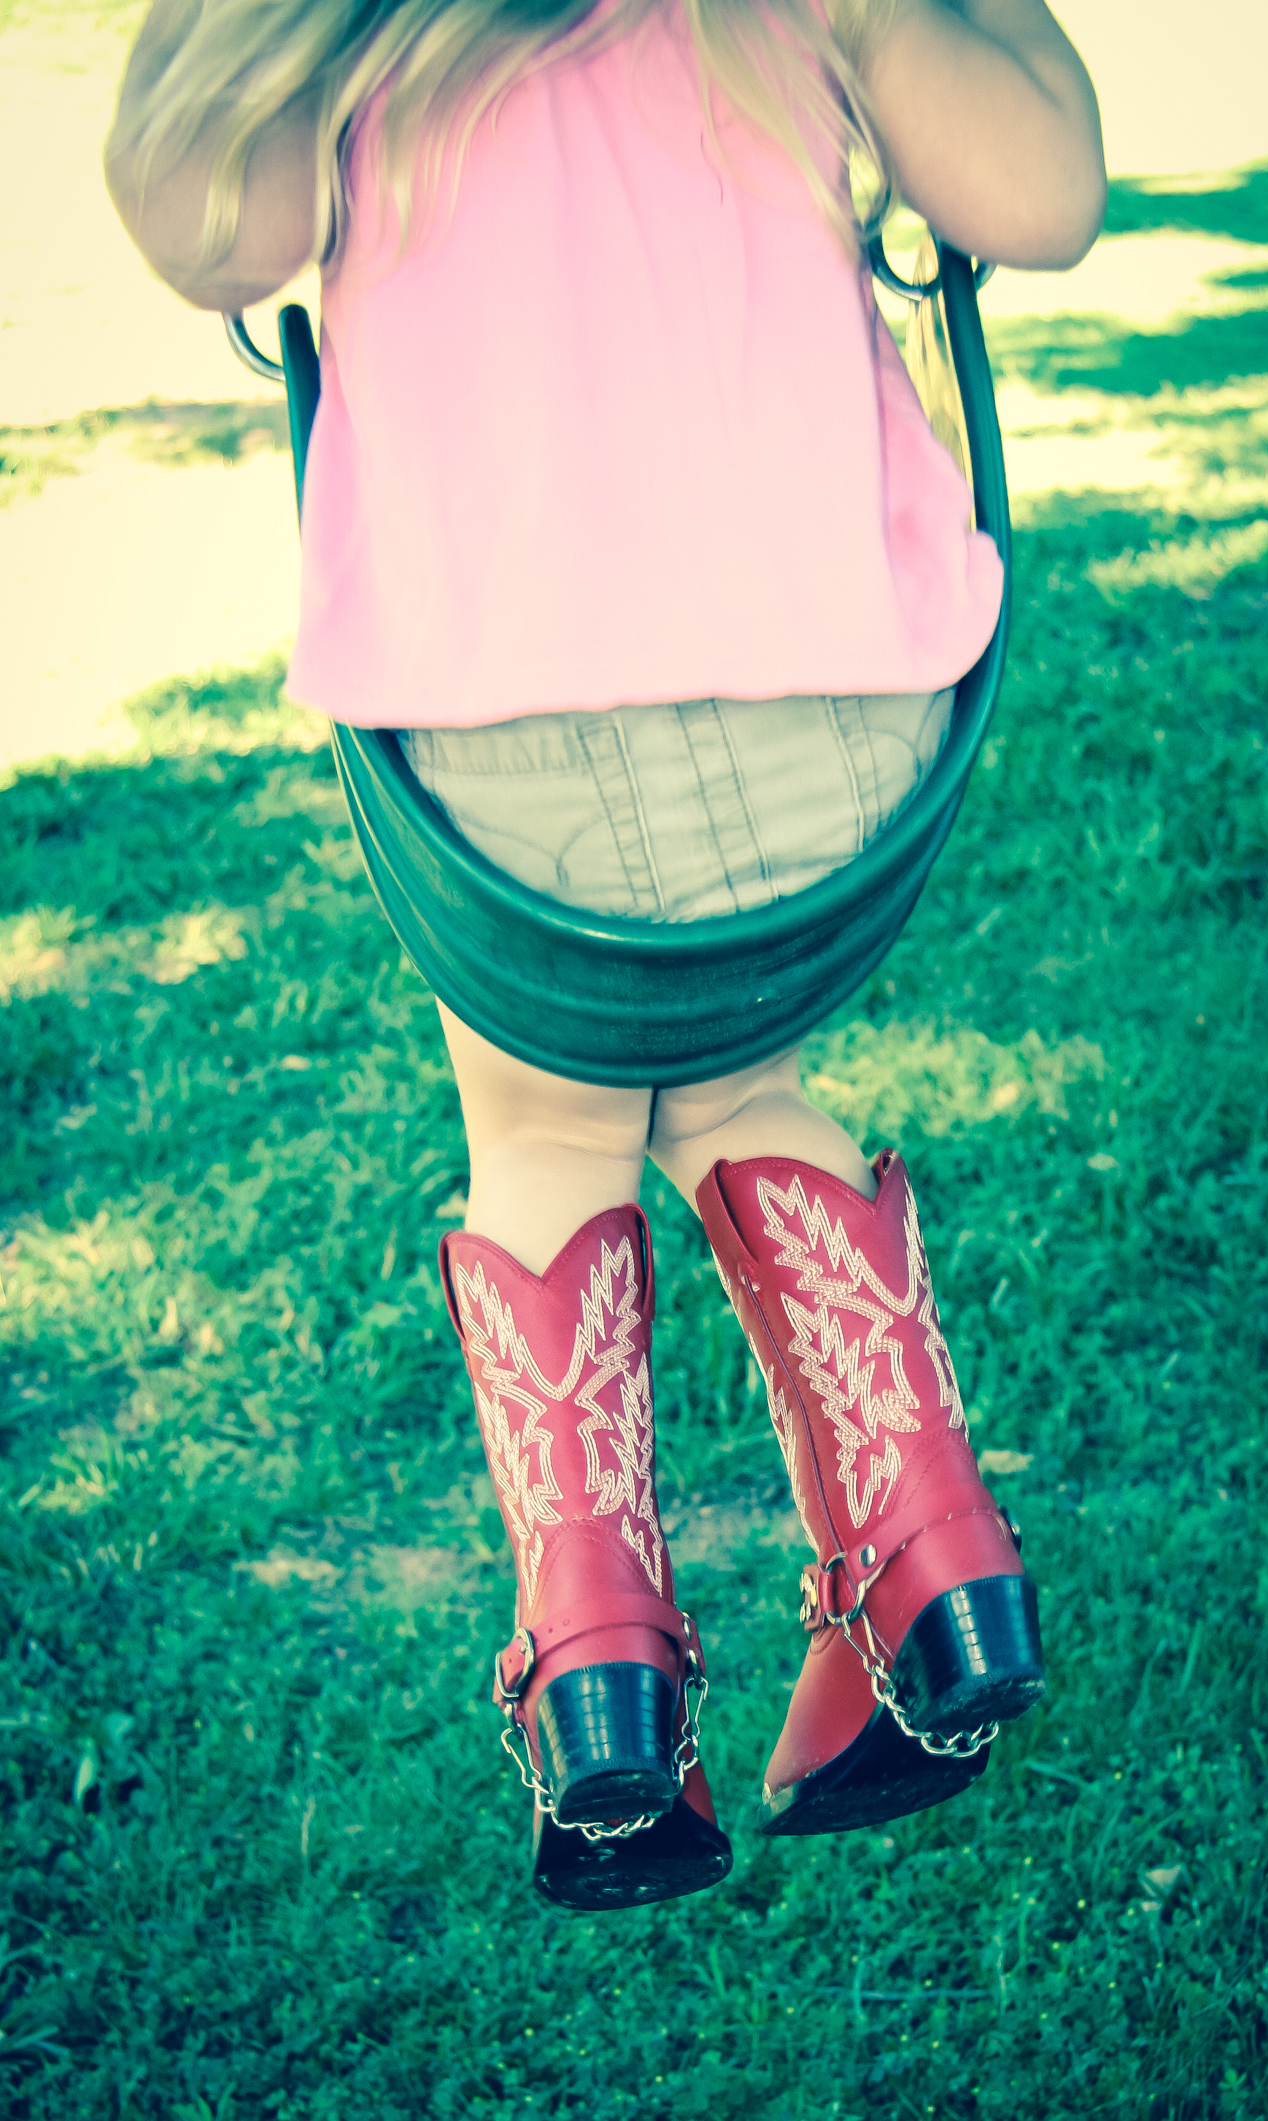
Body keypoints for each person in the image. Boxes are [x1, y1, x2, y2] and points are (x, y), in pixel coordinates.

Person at [105, 0, 1106, 1908]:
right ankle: (929, 1544)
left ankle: (601, 1669)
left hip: (521, 725)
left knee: (550, 1125)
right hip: (839, 708)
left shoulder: (372, 32)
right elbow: (1040, 195)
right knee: (733, 1084)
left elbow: (217, 235)